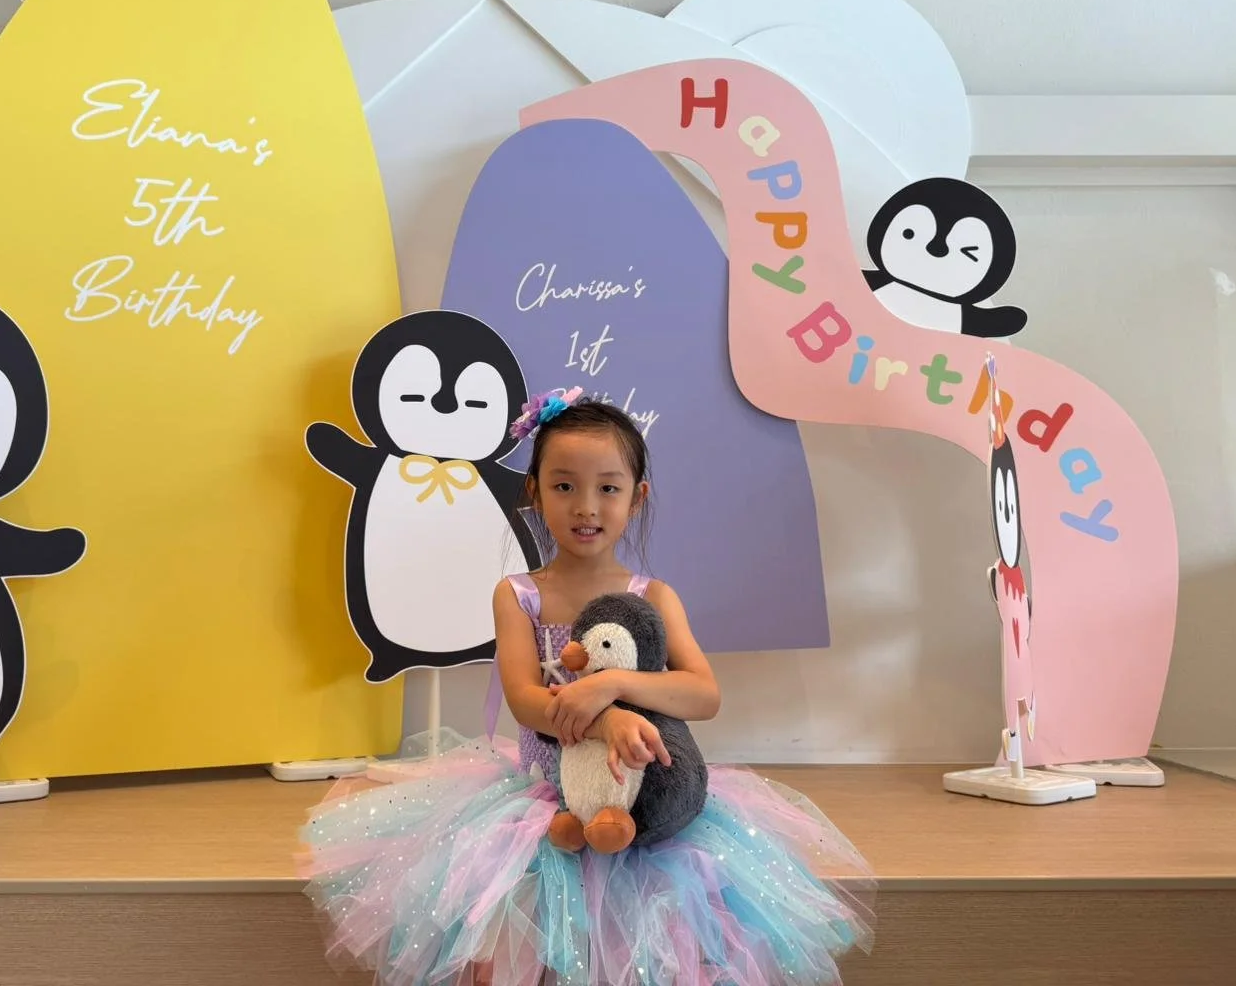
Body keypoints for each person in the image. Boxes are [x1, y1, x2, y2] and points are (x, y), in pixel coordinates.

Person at [300, 389, 875, 985]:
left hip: (642, 797)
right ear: (535, 492)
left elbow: (704, 694)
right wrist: (605, 722)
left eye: (608, 487)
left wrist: (614, 686)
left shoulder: (653, 597)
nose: (586, 506)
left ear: (636, 497)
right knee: (526, 944)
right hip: (542, 795)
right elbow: (526, 701)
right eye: (564, 485)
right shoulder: (518, 593)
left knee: (655, 948)